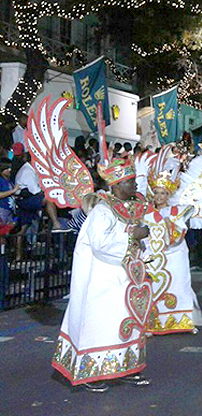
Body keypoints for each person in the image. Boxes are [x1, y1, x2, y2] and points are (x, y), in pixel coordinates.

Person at [51, 158, 152, 392]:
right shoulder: (102, 210)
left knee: (124, 322)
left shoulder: (127, 207)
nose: (134, 186)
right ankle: (91, 372)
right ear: (115, 185)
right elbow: (100, 243)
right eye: (129, 182)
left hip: (125, 278)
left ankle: (125, 367)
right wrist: (132, 235)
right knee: (101, 323)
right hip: (102, 279)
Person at [143, 164, 202, 335]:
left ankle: (181, 321)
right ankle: (153, 323)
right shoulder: (146, 212)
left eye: (163, 193)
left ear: (169, 195)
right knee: (153, 287)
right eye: (156, 193)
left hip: (175, 255)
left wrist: (169, 225)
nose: (159, 197)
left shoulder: (176, 211)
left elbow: (178, 234)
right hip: (153, 256)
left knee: (179, 285)